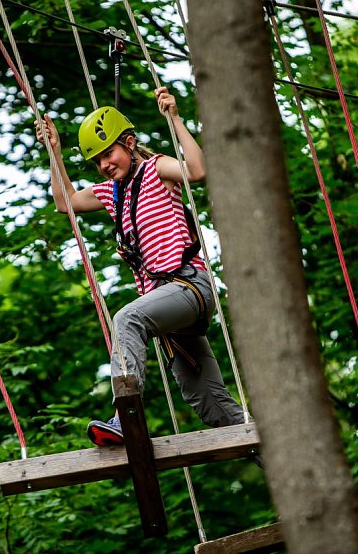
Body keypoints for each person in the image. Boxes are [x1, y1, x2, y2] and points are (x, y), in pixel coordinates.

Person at [36, 87, 244, 446]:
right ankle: (277, 451)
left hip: (188, 286)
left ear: (129, 143)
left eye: (109, 153)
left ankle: (124, 415)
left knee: (126, 318)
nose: (104, 165)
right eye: (97, 161)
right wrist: (54, 153)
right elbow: (65, 203)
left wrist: (175, 119)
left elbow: (196, 171)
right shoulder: (112, 194)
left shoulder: (156, 169)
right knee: (211, 405)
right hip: (168, 312)